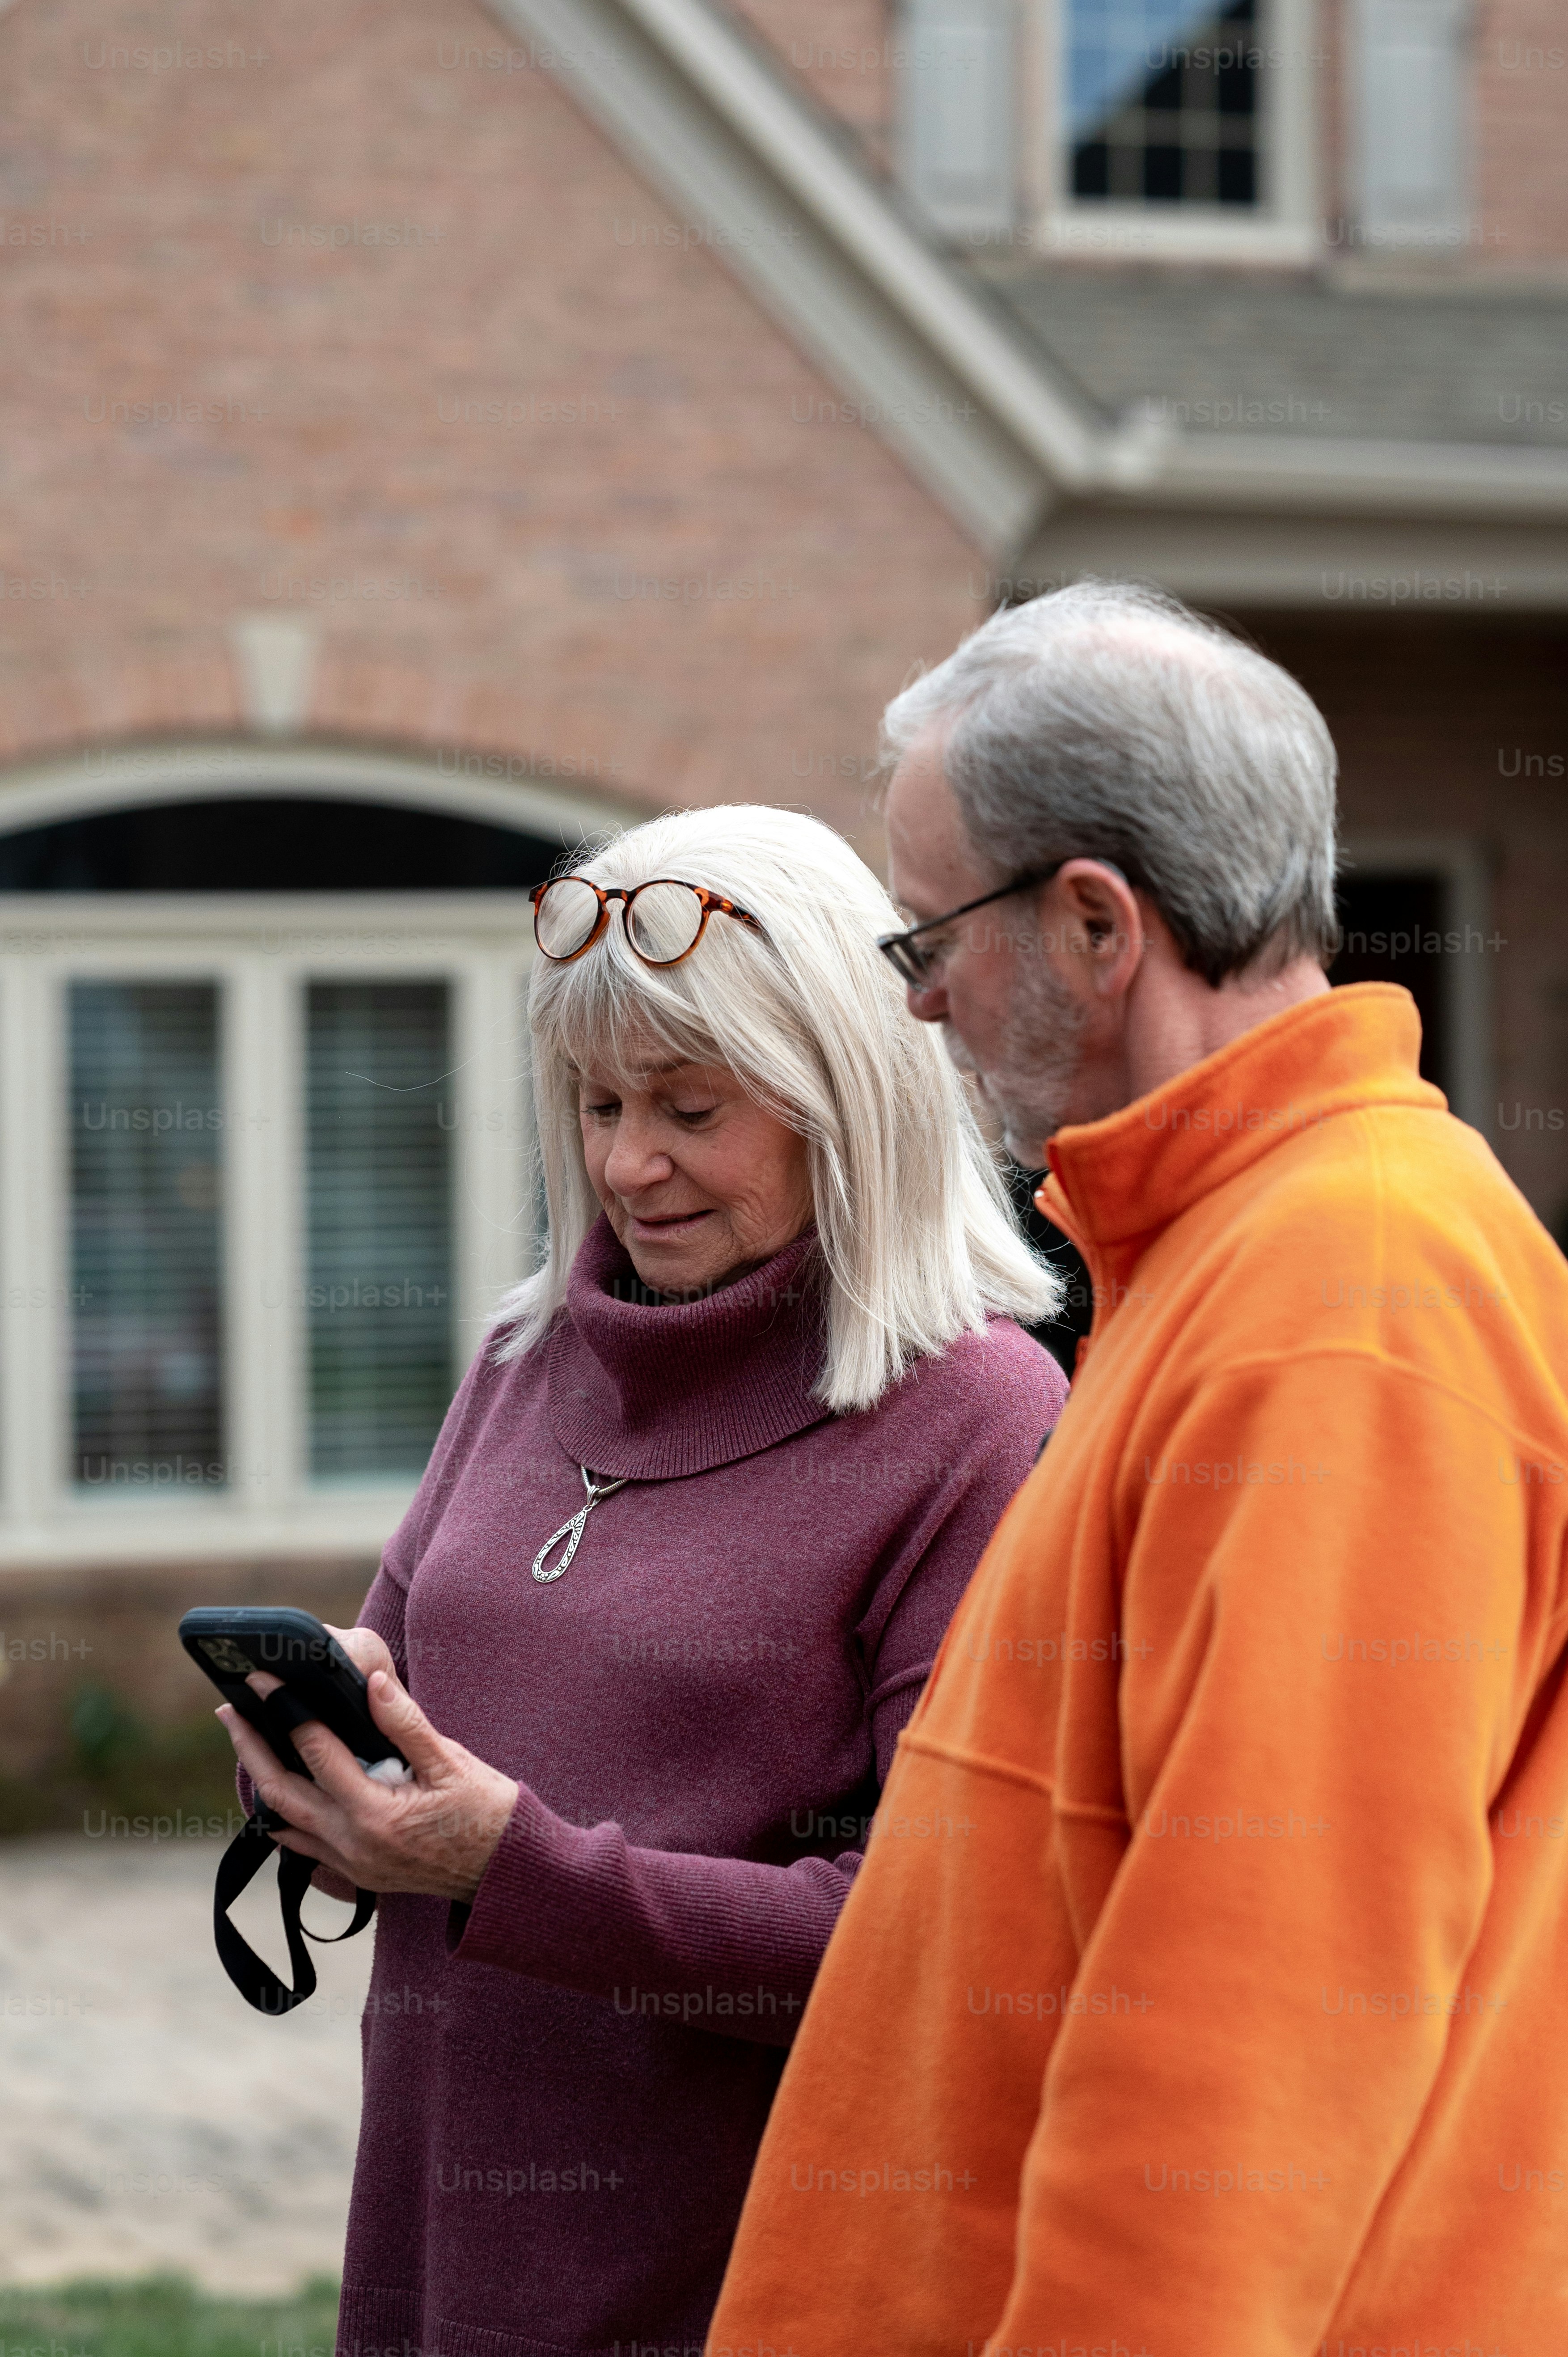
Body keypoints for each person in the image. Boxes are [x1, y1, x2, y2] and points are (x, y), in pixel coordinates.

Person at [709, 582, 1568, 2355]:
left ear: (1096, 923)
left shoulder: (1342, 1300)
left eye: (925, 934)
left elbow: (1255, 2029)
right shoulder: (1234, 1253)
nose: (922, 1001)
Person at [218, 802, 1067, 2357]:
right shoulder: (523, 1360)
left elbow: (939, 1941)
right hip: (441, 2222)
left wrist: (508, 1870)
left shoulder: (980, 1421)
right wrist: (329, 1794)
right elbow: (412, 1717)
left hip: (743, 2275)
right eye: (599, 1101)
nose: (626, 1163)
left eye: (690, 1107)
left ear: (845, 1101)